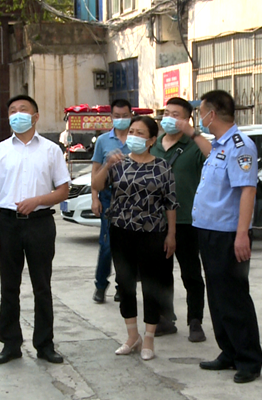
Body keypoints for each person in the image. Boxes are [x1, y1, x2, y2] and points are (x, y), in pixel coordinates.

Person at [0, 94, 71, 365]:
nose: (17, 114)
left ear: (35, 116)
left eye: (23, 109)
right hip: (7, 224)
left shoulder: (51, 150)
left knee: (42, 286)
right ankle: (10, 344)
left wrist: (38, 201)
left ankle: (45, 344)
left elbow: (63, 190)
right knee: (9, 286)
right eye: (12, 110)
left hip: (40, 224)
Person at [92, 116, 178, 361]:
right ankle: (132, 336)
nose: (133, 136)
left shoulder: (162, 167)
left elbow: (171, 203)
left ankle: (149, 337)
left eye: (140, 133)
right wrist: (107, 164)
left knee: (151, 284)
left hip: (152, 232)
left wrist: (171, 234)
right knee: (125, 283)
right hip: (121, 231)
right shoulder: (118, 163)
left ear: (151, 140)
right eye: (131, 131)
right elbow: (96, 184)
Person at [192, 90, 262, 384]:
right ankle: (229, 351)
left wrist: (242, 234)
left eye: (201, 113)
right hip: (208, 231)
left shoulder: (240, 146)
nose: (200, 118)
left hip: (227, 234)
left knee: (234, 298)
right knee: (217, 297)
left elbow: (248, 190)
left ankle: (249, 360)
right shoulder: (218, 146)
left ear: (212, 113)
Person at [150, 97, 212, 341]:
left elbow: (214, 156)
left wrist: (194, 134)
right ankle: (166, 318)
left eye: (176, 115)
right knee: (160, 273)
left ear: (187, 120)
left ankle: (195, 320)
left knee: (191, 273)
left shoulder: (194, 146)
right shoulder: (153, 145)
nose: (169, 118)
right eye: (167, 113)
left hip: (187, 220)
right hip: (156, 221)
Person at [90, 99, 132, 303]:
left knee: (127, 247)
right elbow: (95, 171)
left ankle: (122, 286)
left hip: (133, 198)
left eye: (125, 116)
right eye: (117, 116)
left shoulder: (138, 138)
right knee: (107, 245)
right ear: (111, 117)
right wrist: (94, 198)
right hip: (109, 196)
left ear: (131, 115)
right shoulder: (103, 141)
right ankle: (100, 285)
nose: (121, 119)